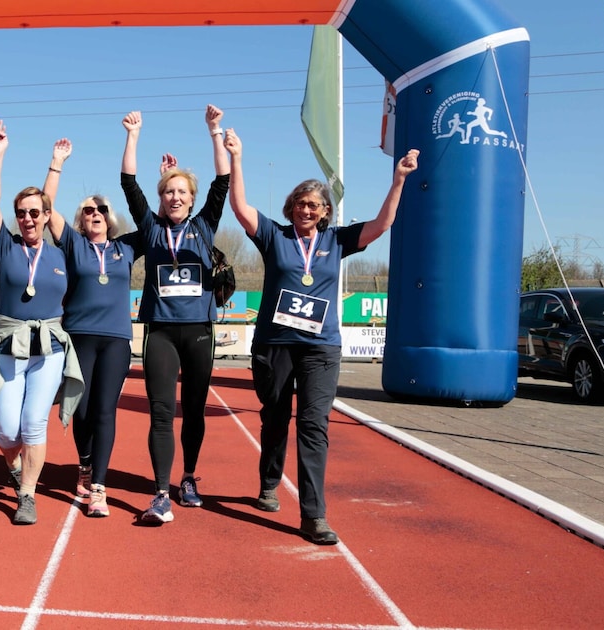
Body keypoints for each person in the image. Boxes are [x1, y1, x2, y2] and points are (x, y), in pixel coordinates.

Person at [224, 127, 419, 544]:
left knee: (314, 425)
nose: (306, 210)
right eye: (300, 203)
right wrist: (237, 157)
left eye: (314, 205)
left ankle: (313, 515)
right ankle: (269, 483)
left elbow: (383, 224)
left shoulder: (337, 240)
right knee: (275, 419)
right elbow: (240, 208)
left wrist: (398, 179)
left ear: (326, 211)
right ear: (291, 207)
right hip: (275, 345)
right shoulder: (274, 236)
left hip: (321, 347)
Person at [120, 107, 231, 525]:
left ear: (192, 197)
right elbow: (129, 184)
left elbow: (223, 182)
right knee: (162, 410)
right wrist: (134, 135)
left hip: (200, 332)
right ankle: (161, 492)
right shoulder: (151, 230)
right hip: (161, 334)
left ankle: (188, 478)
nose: (176, 197)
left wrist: (214, 130)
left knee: (195, 411)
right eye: (169, 192)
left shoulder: (204, 226)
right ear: (162, 197)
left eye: (183, 192)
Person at [0, 118, 82, 525]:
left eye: (35, 213)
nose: (29, 218)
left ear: (46, 215)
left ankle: (27, 494)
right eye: (22, 213)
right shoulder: (5, 246)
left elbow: (45, 198)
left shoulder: (59, 252)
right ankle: (16, 468)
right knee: (6, 431)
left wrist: (56, 164)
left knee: (34, 423)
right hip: (9, 346)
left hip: (49, 348)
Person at [43, 138, 140, 518]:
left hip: (116, 339)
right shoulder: (72, 244)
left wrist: (162, 174)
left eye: (101, 209)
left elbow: (148, 216)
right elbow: (46, 207)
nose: (95, 213)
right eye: (88, 210)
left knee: (105, 411)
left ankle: (98, 486)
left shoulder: (127, 248)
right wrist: (57, 163)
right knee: (80, 410)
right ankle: (84, 461)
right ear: (80, 219)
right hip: (79, 336)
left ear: (109, 217)